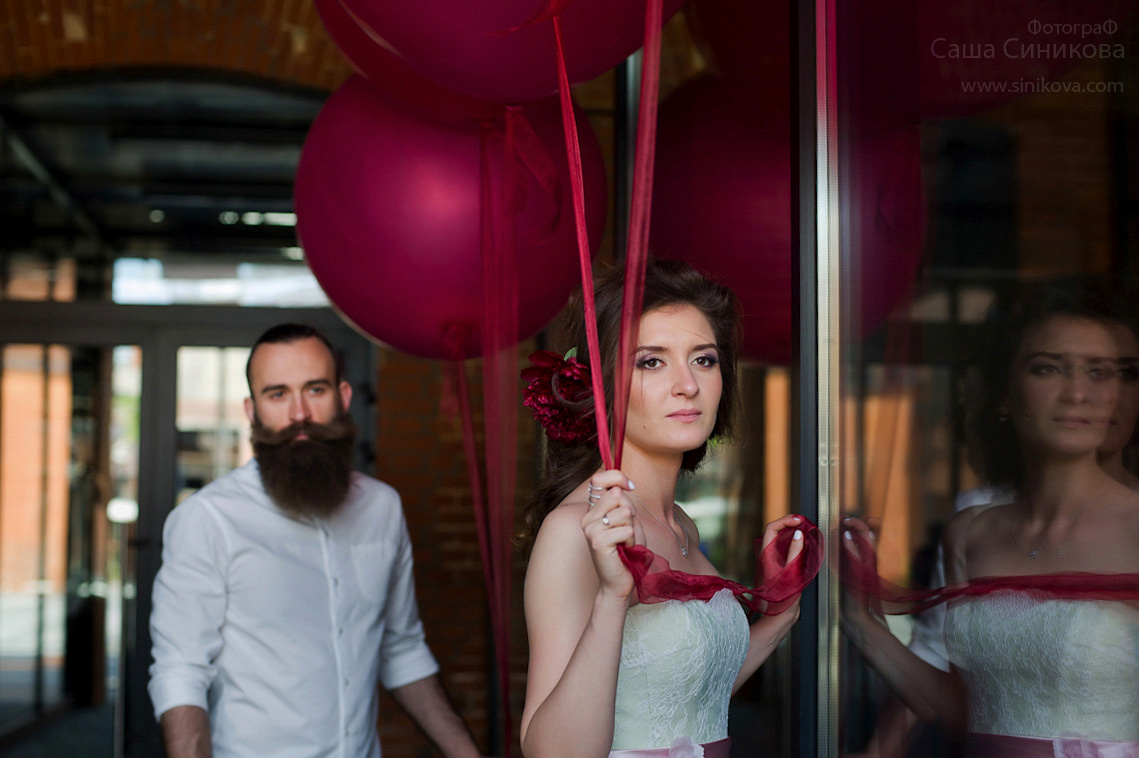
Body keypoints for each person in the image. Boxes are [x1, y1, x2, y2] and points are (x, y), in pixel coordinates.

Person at [148, 323, 486, 758]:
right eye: (277, 394)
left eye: (315, 389)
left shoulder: (382, 508)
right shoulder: (207, 519)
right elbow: (181, 670)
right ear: (251, 411)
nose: (299, 414)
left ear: (343, 397)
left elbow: (400, 647)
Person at [519, 260, 811, 758]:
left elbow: (686, 700)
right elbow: (550, 752)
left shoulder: (683, 527)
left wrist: (781, 611)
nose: (688, 385)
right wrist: (612, 598)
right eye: (651, 361)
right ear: (602, 386)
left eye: (704, 359)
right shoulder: (575, 532)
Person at [842, 281, 1139, 757]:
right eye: (1048, 368)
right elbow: (963, 716)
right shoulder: (971, 533)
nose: (1078, 392)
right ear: (1004, 394)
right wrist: (862, 622)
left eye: (1101, 373)